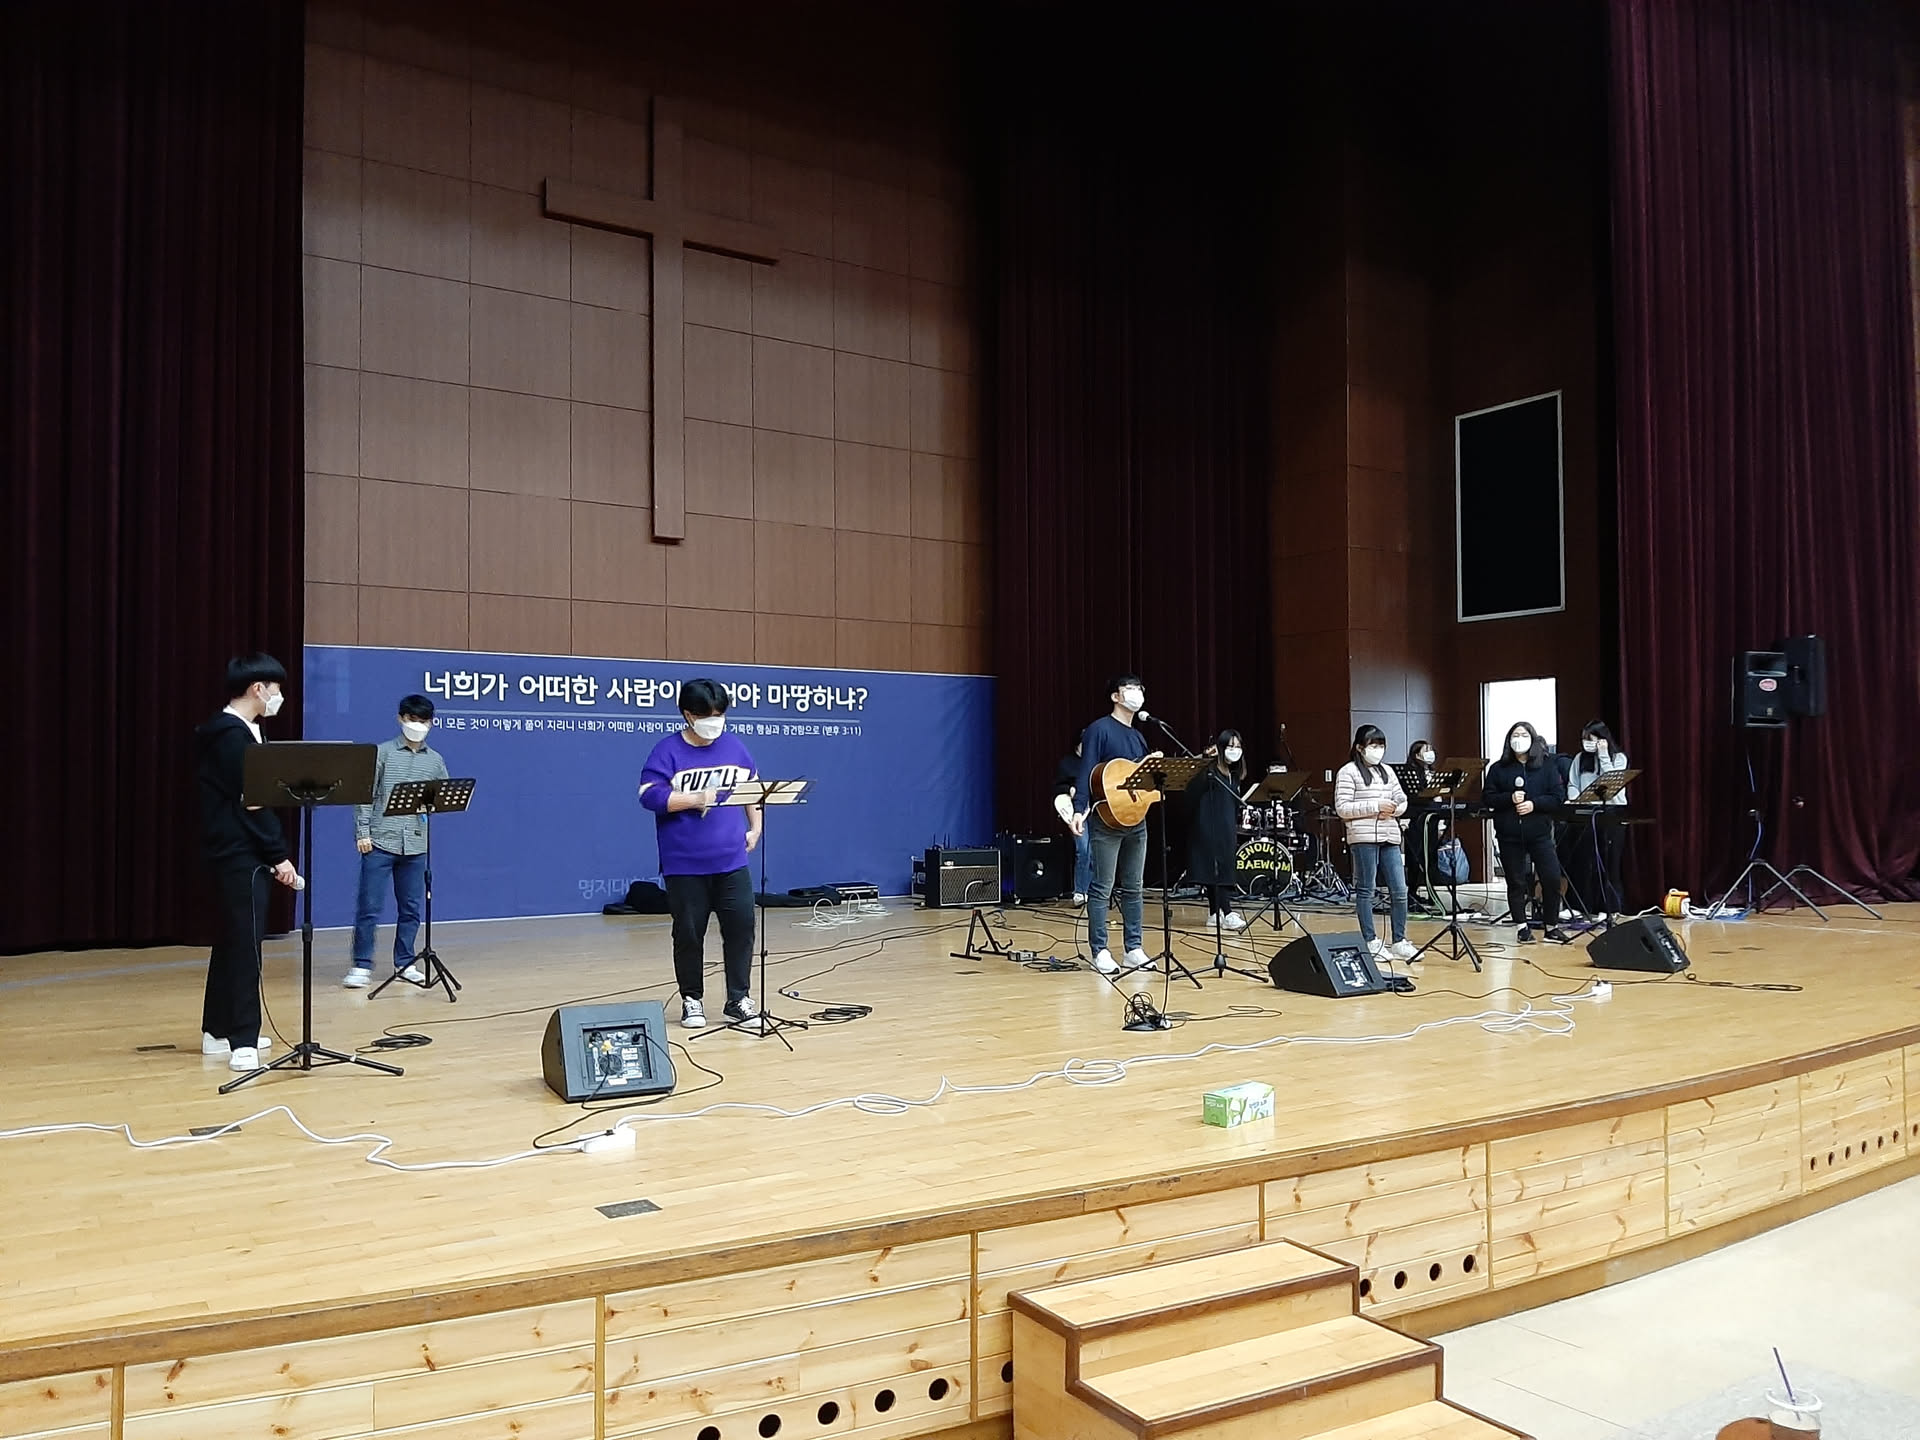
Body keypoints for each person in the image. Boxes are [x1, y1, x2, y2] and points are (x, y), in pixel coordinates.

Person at [194, 654, 302, 1072]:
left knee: (232, 940)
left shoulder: (248, 732)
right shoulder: (229, 735)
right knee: (244, 946)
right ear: (259, 688)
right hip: (238, 853)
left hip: (241, 852)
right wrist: (279, 856)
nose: (279, 697)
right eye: (276, 689)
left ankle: (216, 1031)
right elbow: (253, 802)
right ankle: (242, 1040)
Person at [638, 679, 762, 1028]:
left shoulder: (734, 747)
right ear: (688, 715)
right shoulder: (667, 751)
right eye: (707, 716)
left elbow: (753, 789)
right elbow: (649, 795)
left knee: (741, 927)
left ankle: (738, 999)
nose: (714, 722)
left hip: (731, 859)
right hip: (685, 863)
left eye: (719, 715)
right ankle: (692, 999)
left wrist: (755, 827)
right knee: (689, 933)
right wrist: (693, 799)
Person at [343, 694, 448, 988]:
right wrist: (363, 832)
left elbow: (442, 795)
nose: (417, 726)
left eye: (423, 721)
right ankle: (361, 965)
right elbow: (365, 795)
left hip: (415, 844)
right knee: (369, 907)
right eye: (412, 719)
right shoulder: (382, 753)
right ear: (400, 718)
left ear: (432, 723)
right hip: (380, 840)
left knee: (411, 908)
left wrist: (433, 803)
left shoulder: (435, 760)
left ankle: (405, 961)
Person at [1069, 674, 1158, 975]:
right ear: (1115, 697)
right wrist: (1079, 809)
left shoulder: (1138, 736)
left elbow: (1141, 779)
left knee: (1134, 887)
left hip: (1137, 819)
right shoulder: (1099, 729)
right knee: (1101, 887)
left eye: (1139, 689)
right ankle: (1100, 950)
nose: (1137, 693)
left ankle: (1134, 948)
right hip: (1107, 819)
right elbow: (1087, 771)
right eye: (1129, 689)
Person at [1335, 725, 1416, 961]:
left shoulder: (1387, 771)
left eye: (1381, 745)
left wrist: (1395, 809)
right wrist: (1375, 807)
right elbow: (1342, 808)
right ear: (1360, 748)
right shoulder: (1348, 772)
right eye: (1373, 745)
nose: (1378, 750)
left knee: (1399, 890)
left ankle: (1399, 940)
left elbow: (1402, 799)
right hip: (1363, 838)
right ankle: (1370, 940)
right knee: (1366, 889)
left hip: (1390, 835)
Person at [1485, 720, 1566, 942]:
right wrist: (1509, 798)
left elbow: (1558, 797)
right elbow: (1488, 797)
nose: (1519, 739)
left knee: (1551, 878)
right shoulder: (1498, 769)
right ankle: (1522, 926)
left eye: (1524, 735)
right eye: (1515, 735)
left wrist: (1534, 804)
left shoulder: (1547, 766)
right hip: (1509, 835)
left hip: (1540, 834)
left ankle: (1551, 926)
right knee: (1516, 882)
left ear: (1532, 739)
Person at [1563, 720, 1629, 917]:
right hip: (1585, 814)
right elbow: (1573, 783)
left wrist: (1603, 755)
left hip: (1612, 814)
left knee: (1609, 863)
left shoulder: (1618, 758)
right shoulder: (1579, 759)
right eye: (1584, 739)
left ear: (1603, 739)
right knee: (1583, 862)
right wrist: (1575, 800)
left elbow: (1613, 783)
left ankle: (1609, 908)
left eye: (1591, 739)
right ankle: (1581, 906)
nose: (1587, 743)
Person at [1185, 729, 1248, 931]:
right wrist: (1204, 759)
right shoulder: (1209, 772)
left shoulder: (1234, 775)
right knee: (1216, 870)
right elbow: (1191, 792)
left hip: (1227, 828)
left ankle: (1215, 913)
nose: (1234, 750)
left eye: (1238, 746)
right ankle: (1227, 912)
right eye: (1230, 746)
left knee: (1221, 869)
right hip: (1208, 828)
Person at [1051, 738, 1091, 906]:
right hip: (1075, 811)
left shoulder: (1094, 762)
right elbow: (1057, 787)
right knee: (1083, 850)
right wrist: (1070, 789)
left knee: (1095, 852)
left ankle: (1093, 892)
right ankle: (1080, 892)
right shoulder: (1067, 763)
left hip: (1093, 810)